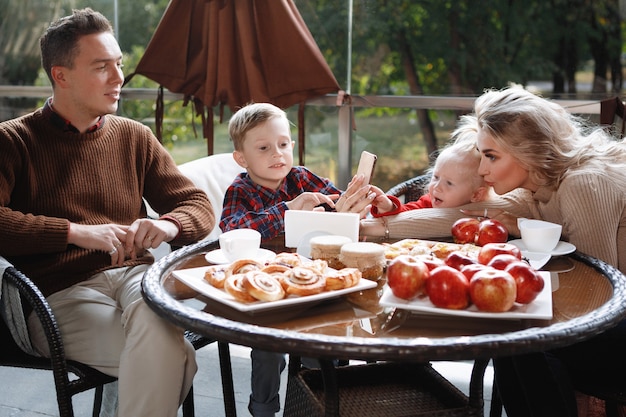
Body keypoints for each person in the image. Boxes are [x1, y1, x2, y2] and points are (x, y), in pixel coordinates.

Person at [0, 8, 214, 417]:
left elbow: (198, 207)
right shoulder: (12, 142)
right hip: (56, 296)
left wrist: (167, 225)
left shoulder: (135, 136)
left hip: (137, 278)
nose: (119, 78)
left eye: (118, 64)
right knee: (175, 355)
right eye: (102, 67)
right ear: (60, 75)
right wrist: (75, 233)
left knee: (164, 348)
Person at [365, 86, 626, 416]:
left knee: (526, 342)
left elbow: (596, 300)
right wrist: (372, 228)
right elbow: (456, 216)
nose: (482, 170)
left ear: (528, 151)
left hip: (614, 319)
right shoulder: (536, 188)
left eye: (491, 156)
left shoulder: (582, 183)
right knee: (513, 336)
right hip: (606, 320)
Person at [219, 102, 373, 417]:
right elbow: (232, 229)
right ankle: (263, 409)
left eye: (284, 144)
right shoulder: (240, 189)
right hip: (267, 291)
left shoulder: (300, 177)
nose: (278, 154)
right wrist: (288, 209)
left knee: (321, 345)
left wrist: (348, 206)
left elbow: (335, 201)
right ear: (242, 158)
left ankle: (317, 403)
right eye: (264, 148)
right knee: (267, 351)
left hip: (314, 284)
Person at [370, 125, 493, 217]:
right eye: (436, 177)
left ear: (476, 195)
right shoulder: (428, 202)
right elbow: (405, 214)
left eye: (449, 183)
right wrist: (389, 207)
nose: (437, 187)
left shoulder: (485, 213)